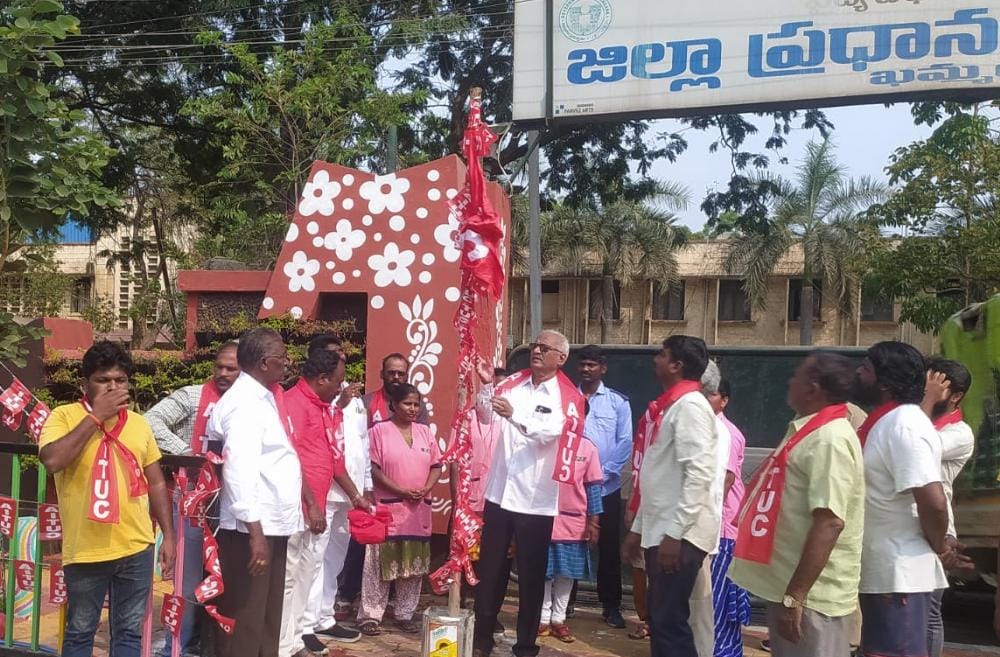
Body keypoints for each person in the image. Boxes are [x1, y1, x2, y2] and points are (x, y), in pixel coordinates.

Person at [38, 341, 176, 657]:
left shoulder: (139, 424)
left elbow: (155, 482)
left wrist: (168, 536)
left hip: (137, 546)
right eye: (103, 380)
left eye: (120, 380)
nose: (113, 387)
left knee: (128, 634)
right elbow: (52, 460)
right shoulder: (64, 416)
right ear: (85, 384)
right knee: (80, 633)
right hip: (86, 549)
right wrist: (96, 417)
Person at [730, 352, 864, 657]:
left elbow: (830, 522)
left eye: (796, 377)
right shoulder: (813, 431)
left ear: (812, 388)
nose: (789, 382)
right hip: (794, 588)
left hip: (811, 598)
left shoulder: (829, 439)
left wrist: (795, 598)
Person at [472, 330, 586, 657]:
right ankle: (483, 639)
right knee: (491, 570)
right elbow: (485, 414)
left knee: (532, 577)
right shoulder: (513, 383)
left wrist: (515, 416)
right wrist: (486, 385)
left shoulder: (567, 396)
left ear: (560, 358)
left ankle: (525, 645)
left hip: (535, 500)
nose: (536, 351)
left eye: (545, 348)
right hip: (500, 493)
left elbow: (551, 432)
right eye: (535, 345)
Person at [622, 335, 719, 657]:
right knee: (663, 620)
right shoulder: (675, 406)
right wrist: (638, 532)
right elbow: (662, 481)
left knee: (669, 621)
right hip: (662, 530)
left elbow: (699, 475)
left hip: (678, 536)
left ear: (677, 365)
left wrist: (674, 536)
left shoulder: (691, 408)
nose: (656, 359)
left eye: (662, 355)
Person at [208, 328, 301, 657]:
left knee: (267, 619)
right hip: (251, 529)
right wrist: (255, 533)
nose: (286, 366)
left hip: (272, 524)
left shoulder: (261, 397)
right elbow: (238, 469)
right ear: (264, 363)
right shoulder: (244, 404)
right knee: (246, 618)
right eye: (282, 359)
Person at [854, 341, 950, 657]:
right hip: (885, 571)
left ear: (884, 382)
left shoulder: (905, 424)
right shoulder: (888, 421)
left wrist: (939, 546)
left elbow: (933, 501)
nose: (858, 373)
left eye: (865, 368)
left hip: (900, 575)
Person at [145, 342, 240, 657]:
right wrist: (191, 455)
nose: (223, 373)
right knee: (188, 578)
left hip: (234, 504)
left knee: (227, 578)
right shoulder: (192, 395)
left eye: (232, 368)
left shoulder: (251, 405)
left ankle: (214, 643)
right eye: (220, 366)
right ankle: (177, 644)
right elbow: (150, 421)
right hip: (193, 499)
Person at [280, 349, 371, 657]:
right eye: (337, 382)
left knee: (307, 574)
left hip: (315, 507)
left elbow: (334, 460)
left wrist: (357, 496)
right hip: (299, 509)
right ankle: (283, 647)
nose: (340, 389)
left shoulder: (322, 406)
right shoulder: (293, 404)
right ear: (321, 379)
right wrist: (312, 505)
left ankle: (295, 641)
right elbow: (292, 461)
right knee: (290, 579)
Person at [357, 383, 443, 635]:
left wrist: (426, 488)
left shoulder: (425, 433)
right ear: (393, 404)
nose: (413, 409)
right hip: (388, 508)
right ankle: (371, 615)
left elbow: (436, 465)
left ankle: (405, 613)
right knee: (377, 565)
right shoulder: (379, 431)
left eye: (417, 404)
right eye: (407, 403)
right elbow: (373, 468)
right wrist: (400, 491)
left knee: (412, 566)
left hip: (418, 510)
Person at [302, 335, 369, 646]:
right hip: (324, 491)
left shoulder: (354, 398)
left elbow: (361, 446)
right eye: (334, 356)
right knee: (314, 557)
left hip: (350, 489)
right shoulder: (317, 398)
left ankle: (325, 615)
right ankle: (305, 624)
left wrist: (364, 487)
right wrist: (335, 405)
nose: (341, 360)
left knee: (336, 557)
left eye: (342, 356)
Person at [576, 345, 632, 629]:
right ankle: (566, 603)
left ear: (603, 368)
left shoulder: (617, 403)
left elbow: (625, 442)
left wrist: (603, 474)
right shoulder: (567, 399)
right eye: (583, 364)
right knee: (568, 543)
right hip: (571, 487)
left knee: (608, 550)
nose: (586, 369)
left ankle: (610, 606)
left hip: (606, 487)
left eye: (592, 365)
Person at [921, 358, 975, 657]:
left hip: (938, 528)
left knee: (929, 609)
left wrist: (926, 400)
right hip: (913, 524)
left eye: (934, 386)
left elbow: (917, 445)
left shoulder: (960, 433)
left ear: (955, 396)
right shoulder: (923, 418)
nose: (924, 391)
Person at [538, 420, 603, 643]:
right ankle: (543, 618)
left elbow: (593, 486)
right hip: (545, 517)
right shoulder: (548, 443)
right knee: (543, 572)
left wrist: (593, 522)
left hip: (574, 521)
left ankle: (559, 619)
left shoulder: (588, 448)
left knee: (566, 573)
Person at [450, 367, 508, 608]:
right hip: (468, 504)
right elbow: (454, 463)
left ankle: (489, 612)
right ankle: (461, 605)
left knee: (497, 561)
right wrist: (457, 504)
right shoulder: (465, 420)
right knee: (465, 558)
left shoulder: (510, 424)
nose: (495, 393)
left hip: (500, 505)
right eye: (491, 388)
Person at [702, 377, 750, 657]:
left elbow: (726, 479)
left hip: (722, 526)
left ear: (725, 400)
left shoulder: (726, 432)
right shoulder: (705, 427)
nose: (706, 399)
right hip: (711, 524)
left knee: (717, 598)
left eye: (712, 394)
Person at [690, 361, 732, 657]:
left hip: (692, 534)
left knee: (698, 608)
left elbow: (705, 483)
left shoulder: (716, 430)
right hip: (679, 533)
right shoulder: (679, 417)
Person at [362, 353, 430, 427]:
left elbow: (424, 435)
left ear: (407, 377)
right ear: (382, 374)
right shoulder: (366, 402)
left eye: (401, 373)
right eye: (391, 373)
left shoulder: (417, 405)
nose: (396, 377)